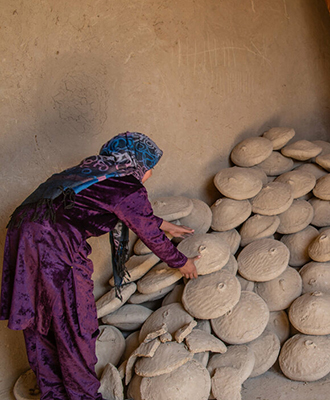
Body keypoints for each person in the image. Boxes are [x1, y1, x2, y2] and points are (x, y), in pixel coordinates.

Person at [1, 132, 199, 399]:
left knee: (40, 319)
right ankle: (83, 395)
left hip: (24, 242)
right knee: (75, 325)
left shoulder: (94, 172)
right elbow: (145, 230)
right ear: (138, 163)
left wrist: (165, 224)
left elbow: (121, 210)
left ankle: (53, 393)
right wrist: (182, 262)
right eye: (150, 167)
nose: (150, 173)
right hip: (55, 249)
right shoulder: (127, 185)